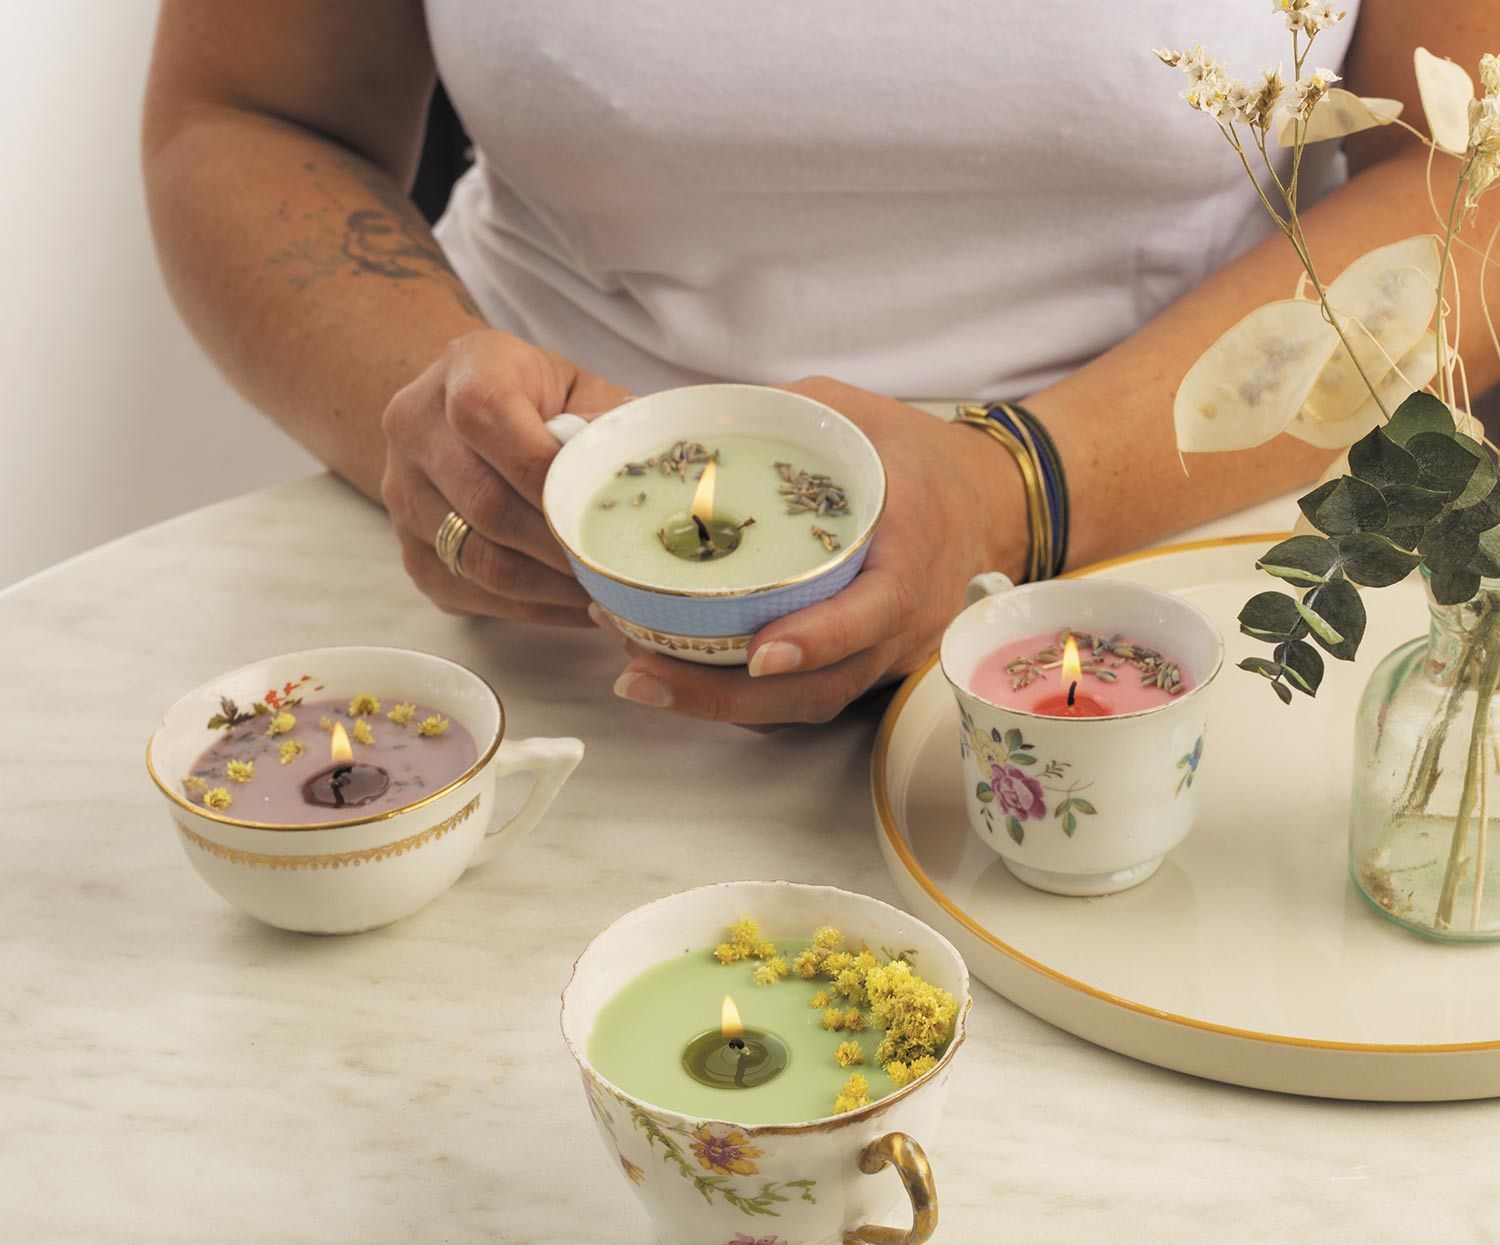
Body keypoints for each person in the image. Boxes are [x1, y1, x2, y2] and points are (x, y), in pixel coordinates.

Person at [143, 1, 1498, 726]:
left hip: (1195, 587)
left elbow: (1475, 170)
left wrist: (1017, 489)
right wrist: (441, 412)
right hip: (531, 600)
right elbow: (244, 114)